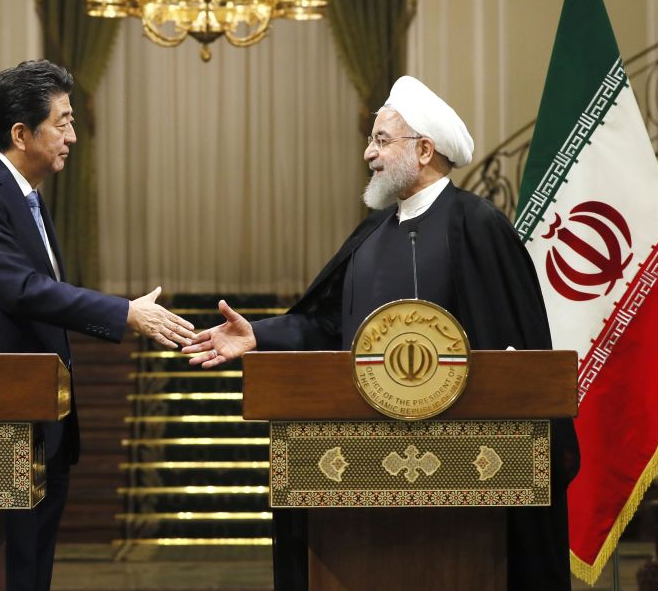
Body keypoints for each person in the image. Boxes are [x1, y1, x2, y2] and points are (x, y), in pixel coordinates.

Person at [182, 75, 579, 591]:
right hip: (361, 455)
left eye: (381, 141)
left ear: (425, 149)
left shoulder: (477, 225)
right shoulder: (370, 234)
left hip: (467, 463)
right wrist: (259, 335)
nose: (369, 153)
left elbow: (517, 347)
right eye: (371, 141)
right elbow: (329, 326)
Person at [0, 59, 196, 591]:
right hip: (1, 417)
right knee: (9, 569)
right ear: (20, 133)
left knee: (34, 568)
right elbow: (21, 290)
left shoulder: (29, 196)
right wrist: (124, 312)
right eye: (63, 122)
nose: (73, 136)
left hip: (43, 416)